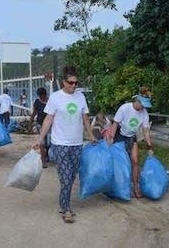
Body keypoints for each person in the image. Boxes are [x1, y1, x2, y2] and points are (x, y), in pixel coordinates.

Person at [33, 66, 97, 224]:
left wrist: (91, 136)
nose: (74, 86)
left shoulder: (81, 97)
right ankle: (66, 208)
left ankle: (64, 203)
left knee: (72, 174)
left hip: (76, 143)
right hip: (60, 143)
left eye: (76, 83)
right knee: (66, 177)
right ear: (64, 82)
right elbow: (48, 119)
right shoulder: (55, 98)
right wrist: (40, 139)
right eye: (70, 83)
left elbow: (85, 118)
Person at [108, 94, 154, 199]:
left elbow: (146, 131)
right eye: (142, 105)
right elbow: (115, 124)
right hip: (120, 136)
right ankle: (120, 187)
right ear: (137, 101)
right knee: (121, 163)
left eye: (145, 106)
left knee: (134, 161)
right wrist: (111, 138)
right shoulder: (125, 108)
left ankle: (135, 188)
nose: (143, 107)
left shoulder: (144, 113)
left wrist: (149, 146)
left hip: (132, 137)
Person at [30, 87, 50, 168]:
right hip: (40, 124)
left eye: (43, 96)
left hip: (49, 124)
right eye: (40, 96)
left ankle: (46, 153)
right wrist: (31, 120)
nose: (41, 97)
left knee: (48, 143)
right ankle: (43, 160)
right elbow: (35, 112)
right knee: (42, 143)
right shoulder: (37, 102)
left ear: (45, 95)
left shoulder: (50, 101)